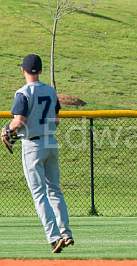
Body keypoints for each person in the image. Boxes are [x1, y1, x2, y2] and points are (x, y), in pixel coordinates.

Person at [1, 54, 74, 252]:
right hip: (51, 142)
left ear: (22, 70)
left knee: (39, 194)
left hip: (32, 146)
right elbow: (56, 120)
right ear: (40, 70)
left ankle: (54, 237)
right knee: (55, 190)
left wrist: (7, 129)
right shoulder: (51, 91)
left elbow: (19, 121)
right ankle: (66, 233)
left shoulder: (23, 92)